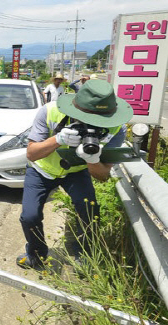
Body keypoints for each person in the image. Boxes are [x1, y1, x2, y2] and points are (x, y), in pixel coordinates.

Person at [16, 79, 133, 269]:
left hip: (77, 172)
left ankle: (84, 256)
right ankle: (36, 254)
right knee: (30, 216)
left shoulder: (117, 128)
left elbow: (103, 175)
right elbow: (31, 153)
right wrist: (57, 139)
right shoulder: (50, 111)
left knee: (90, 211)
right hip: (41, 169)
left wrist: (91, 159)